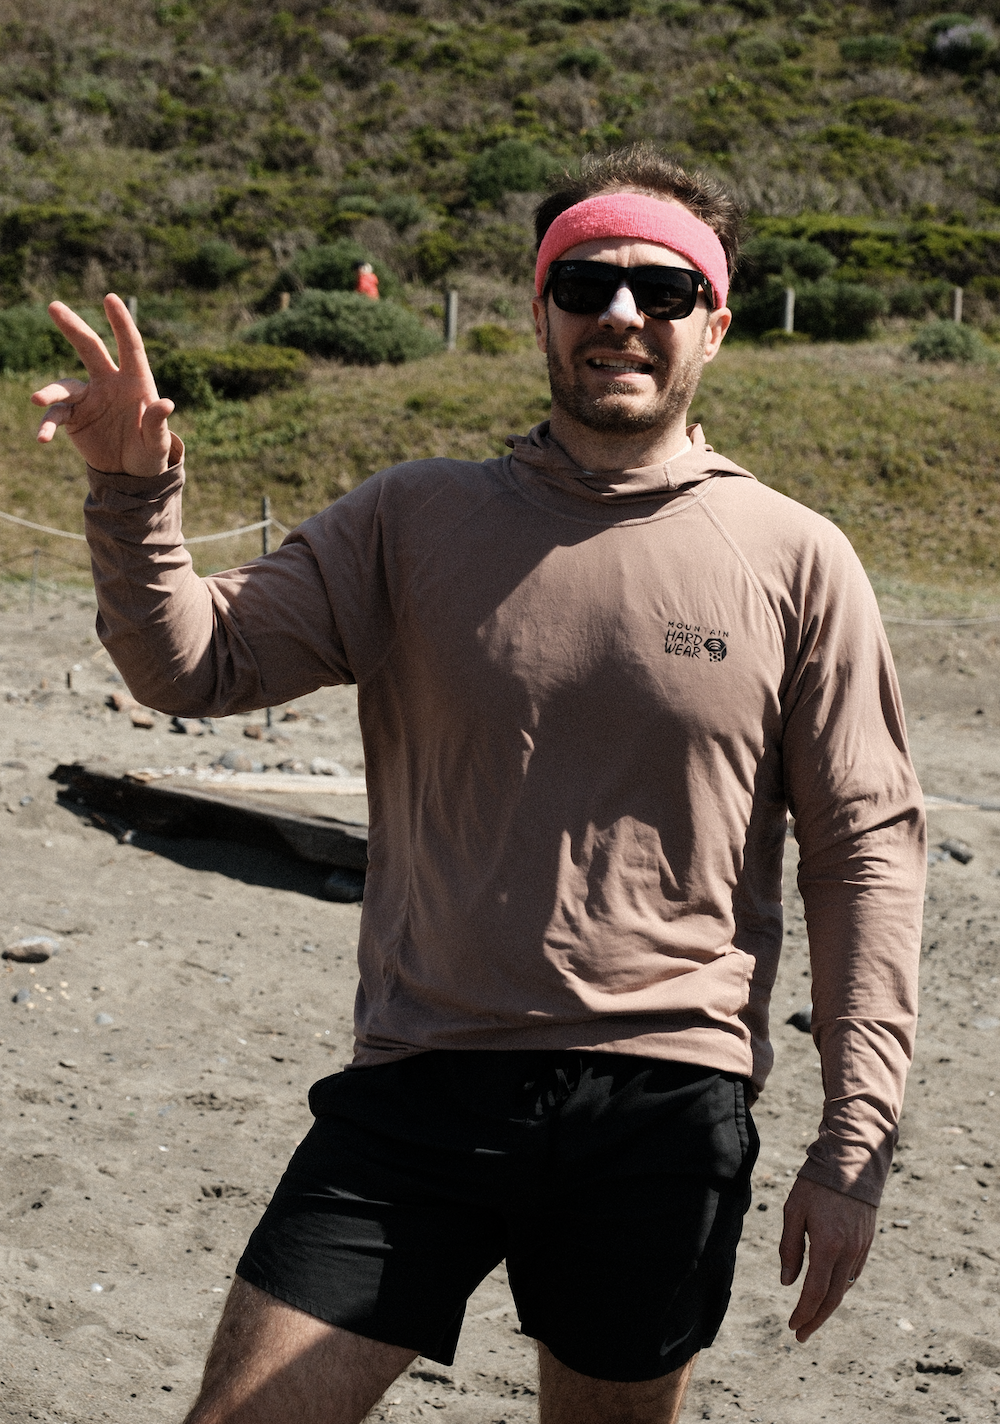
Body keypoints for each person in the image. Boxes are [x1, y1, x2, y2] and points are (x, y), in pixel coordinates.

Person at [32, 146, 925, 1424]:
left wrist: (856, 1139)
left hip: (662, 1097)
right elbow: (195, 661)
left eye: (662, 291)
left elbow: (865, 852)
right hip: (418, 1082)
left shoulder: (795, 557)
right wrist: (132, 493)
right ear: (541, 311)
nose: (622, 312)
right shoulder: (412, 520)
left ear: (714, 326)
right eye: (588, 281)